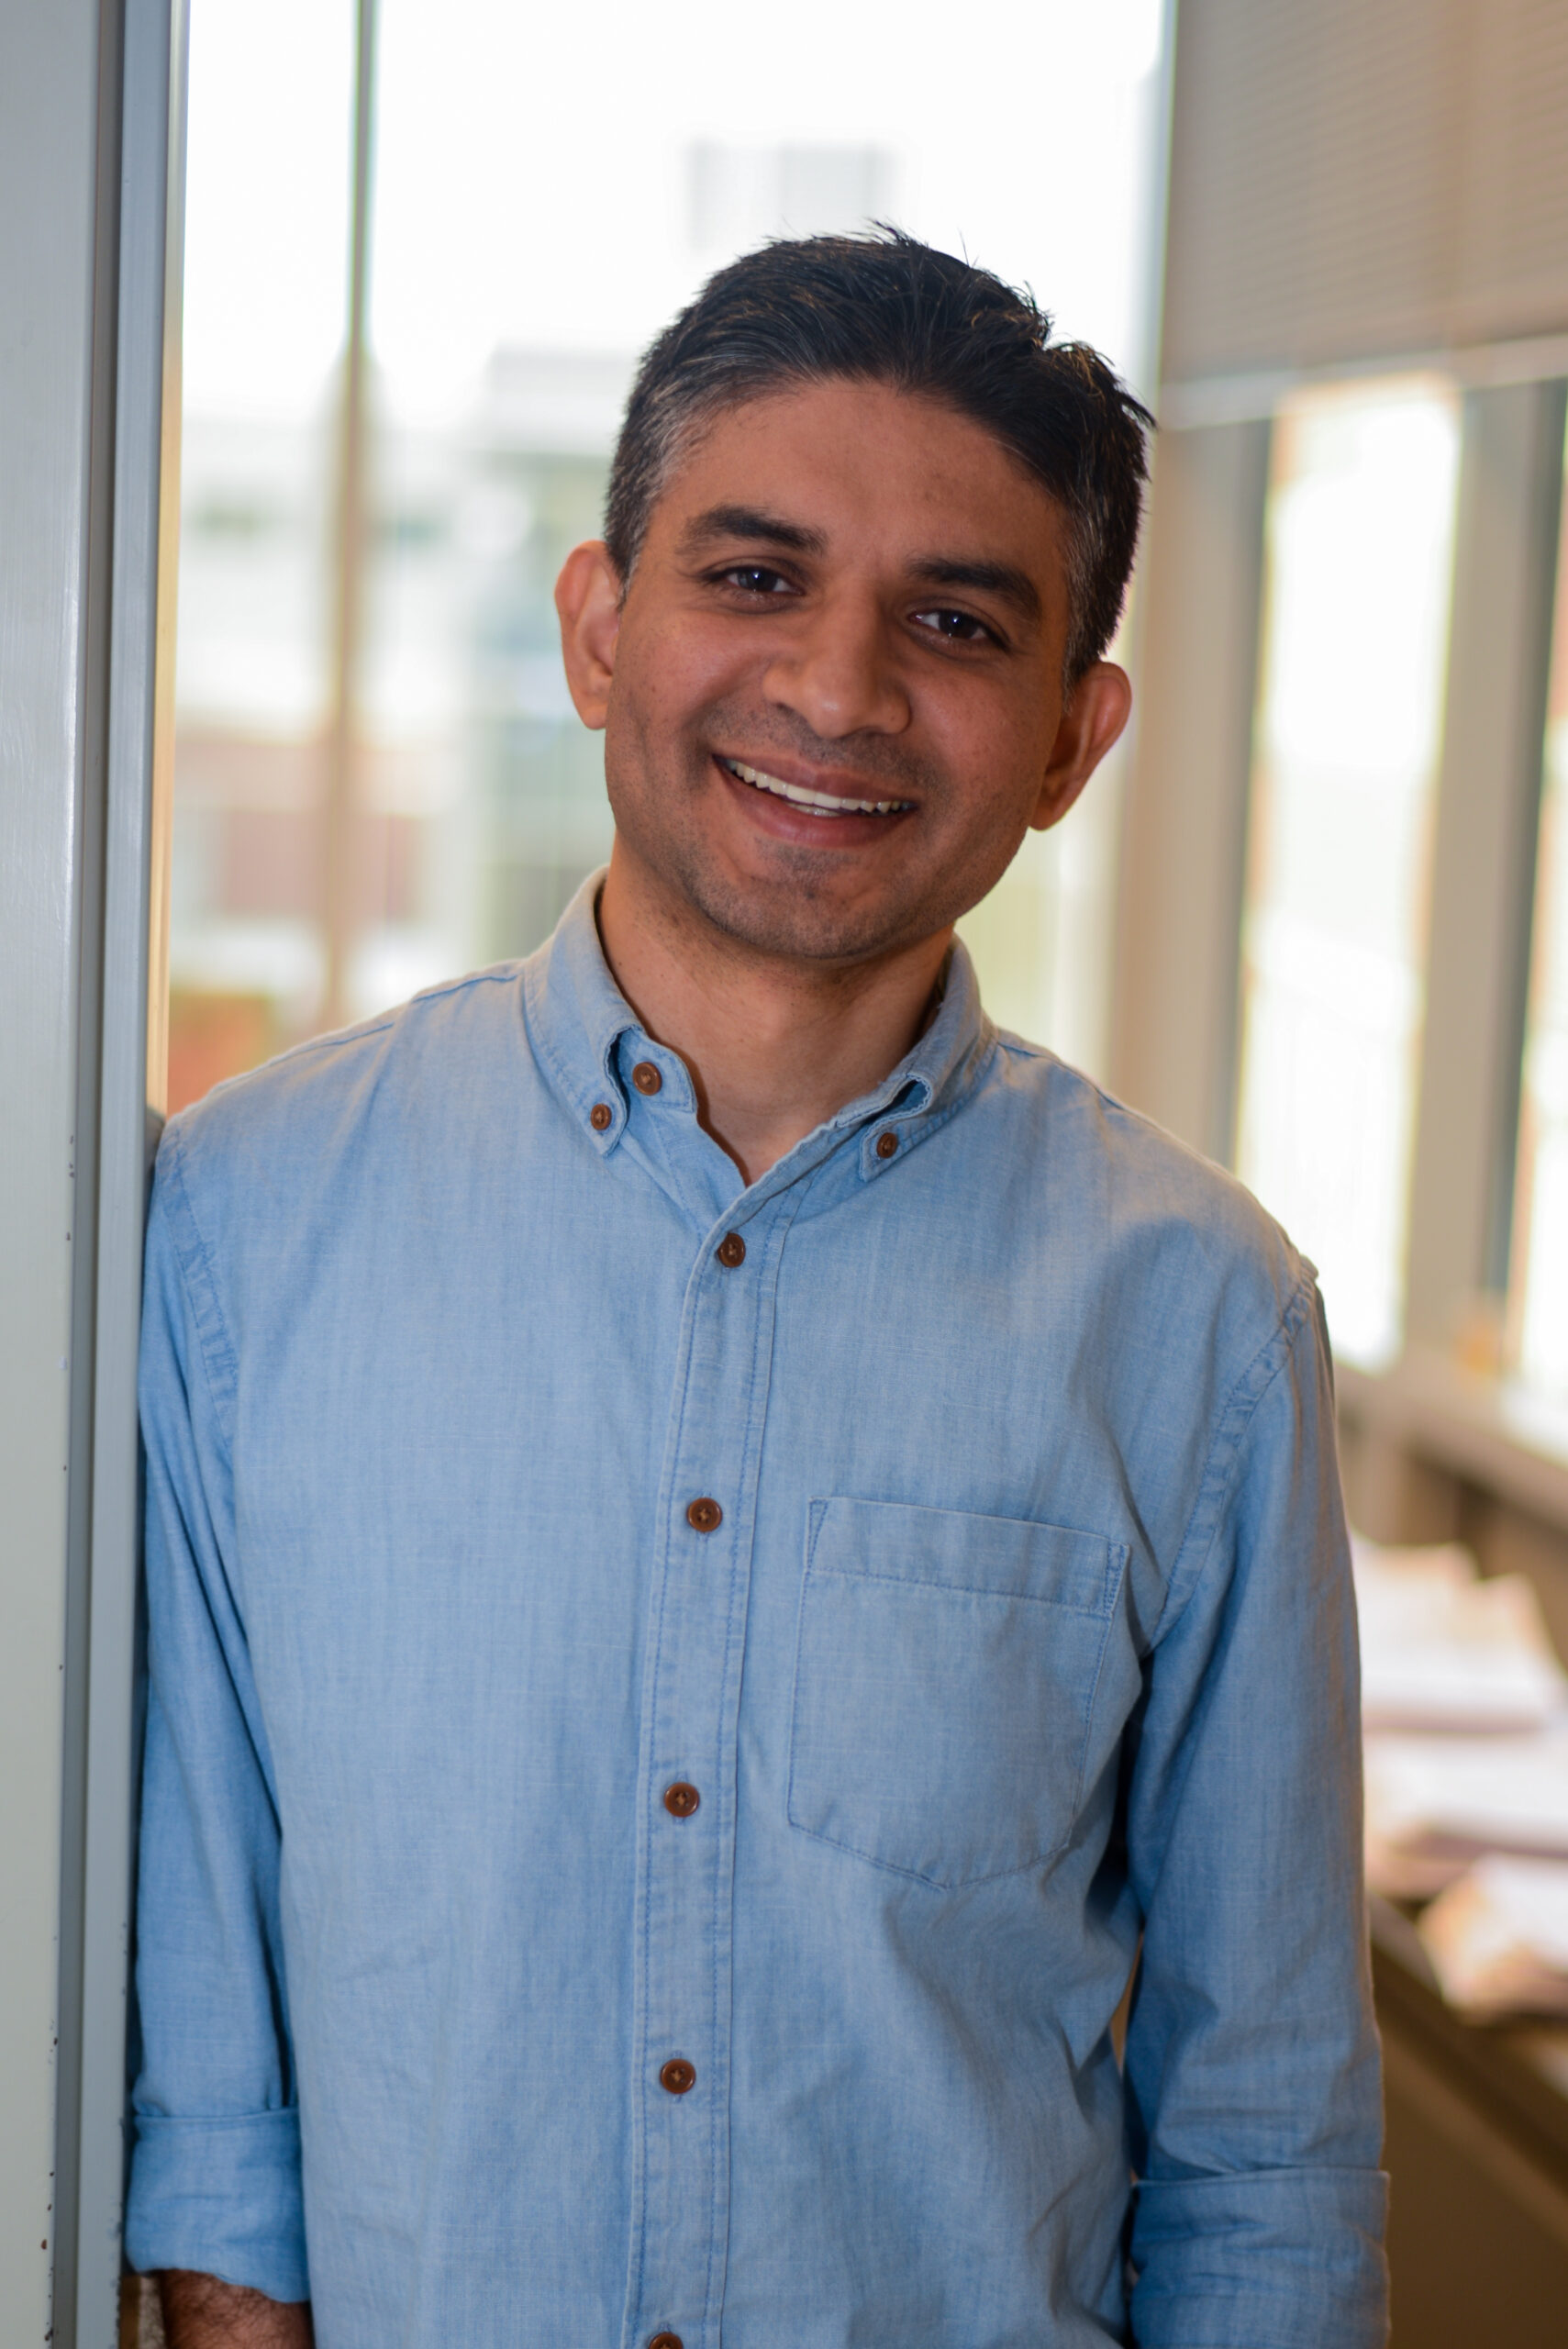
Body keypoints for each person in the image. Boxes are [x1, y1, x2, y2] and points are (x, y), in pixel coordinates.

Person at [128, 230, 1387, 2348]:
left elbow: (1265, 2138)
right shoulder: (244, 1220)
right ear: (596, 626)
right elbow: (205, 2032)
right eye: (753, 574)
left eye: (956, 618)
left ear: (1077, 736)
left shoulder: (1201, 1322)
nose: (838, 686)